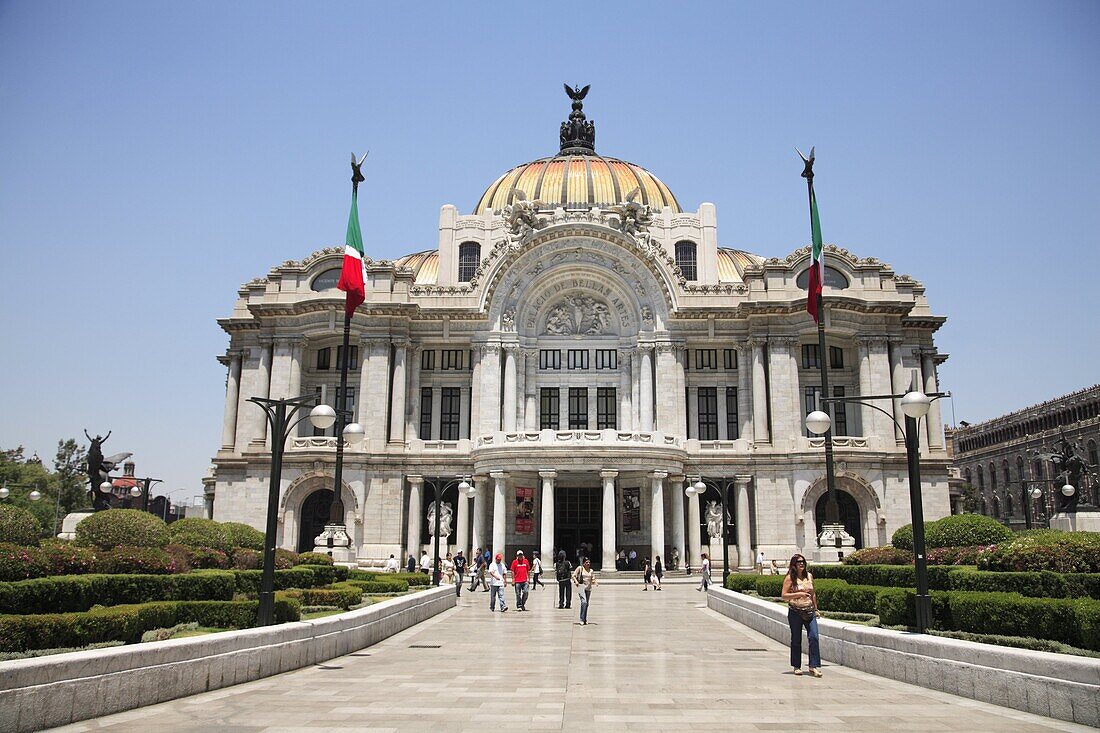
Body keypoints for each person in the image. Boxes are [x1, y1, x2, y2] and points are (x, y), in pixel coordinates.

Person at [781, 553, 821, 677]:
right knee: (796, 639)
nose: (801, 564)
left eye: (803, 561)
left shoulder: (809, 576)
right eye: (799, 562)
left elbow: (813, 593)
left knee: (814, 636)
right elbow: (784, 595)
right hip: (795, 611)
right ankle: (796, 666)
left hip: (809, 611)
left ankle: (813, 666)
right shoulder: (790, 578)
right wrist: (799, 594)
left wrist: (816, 609)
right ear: (794, 564)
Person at [572, 556, 597, 625]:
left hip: (588, 588)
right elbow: (573, 575)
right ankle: (581, 619)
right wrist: (576, 581)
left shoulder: (591, 571)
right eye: (586, 562)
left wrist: (595, 582)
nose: (588, 563)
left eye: (589, 562)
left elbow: (593, 578)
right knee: (584, 602)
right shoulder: (580, 568)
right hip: (581, 587)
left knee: (587, 604)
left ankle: (585, 619)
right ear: (583, 563)